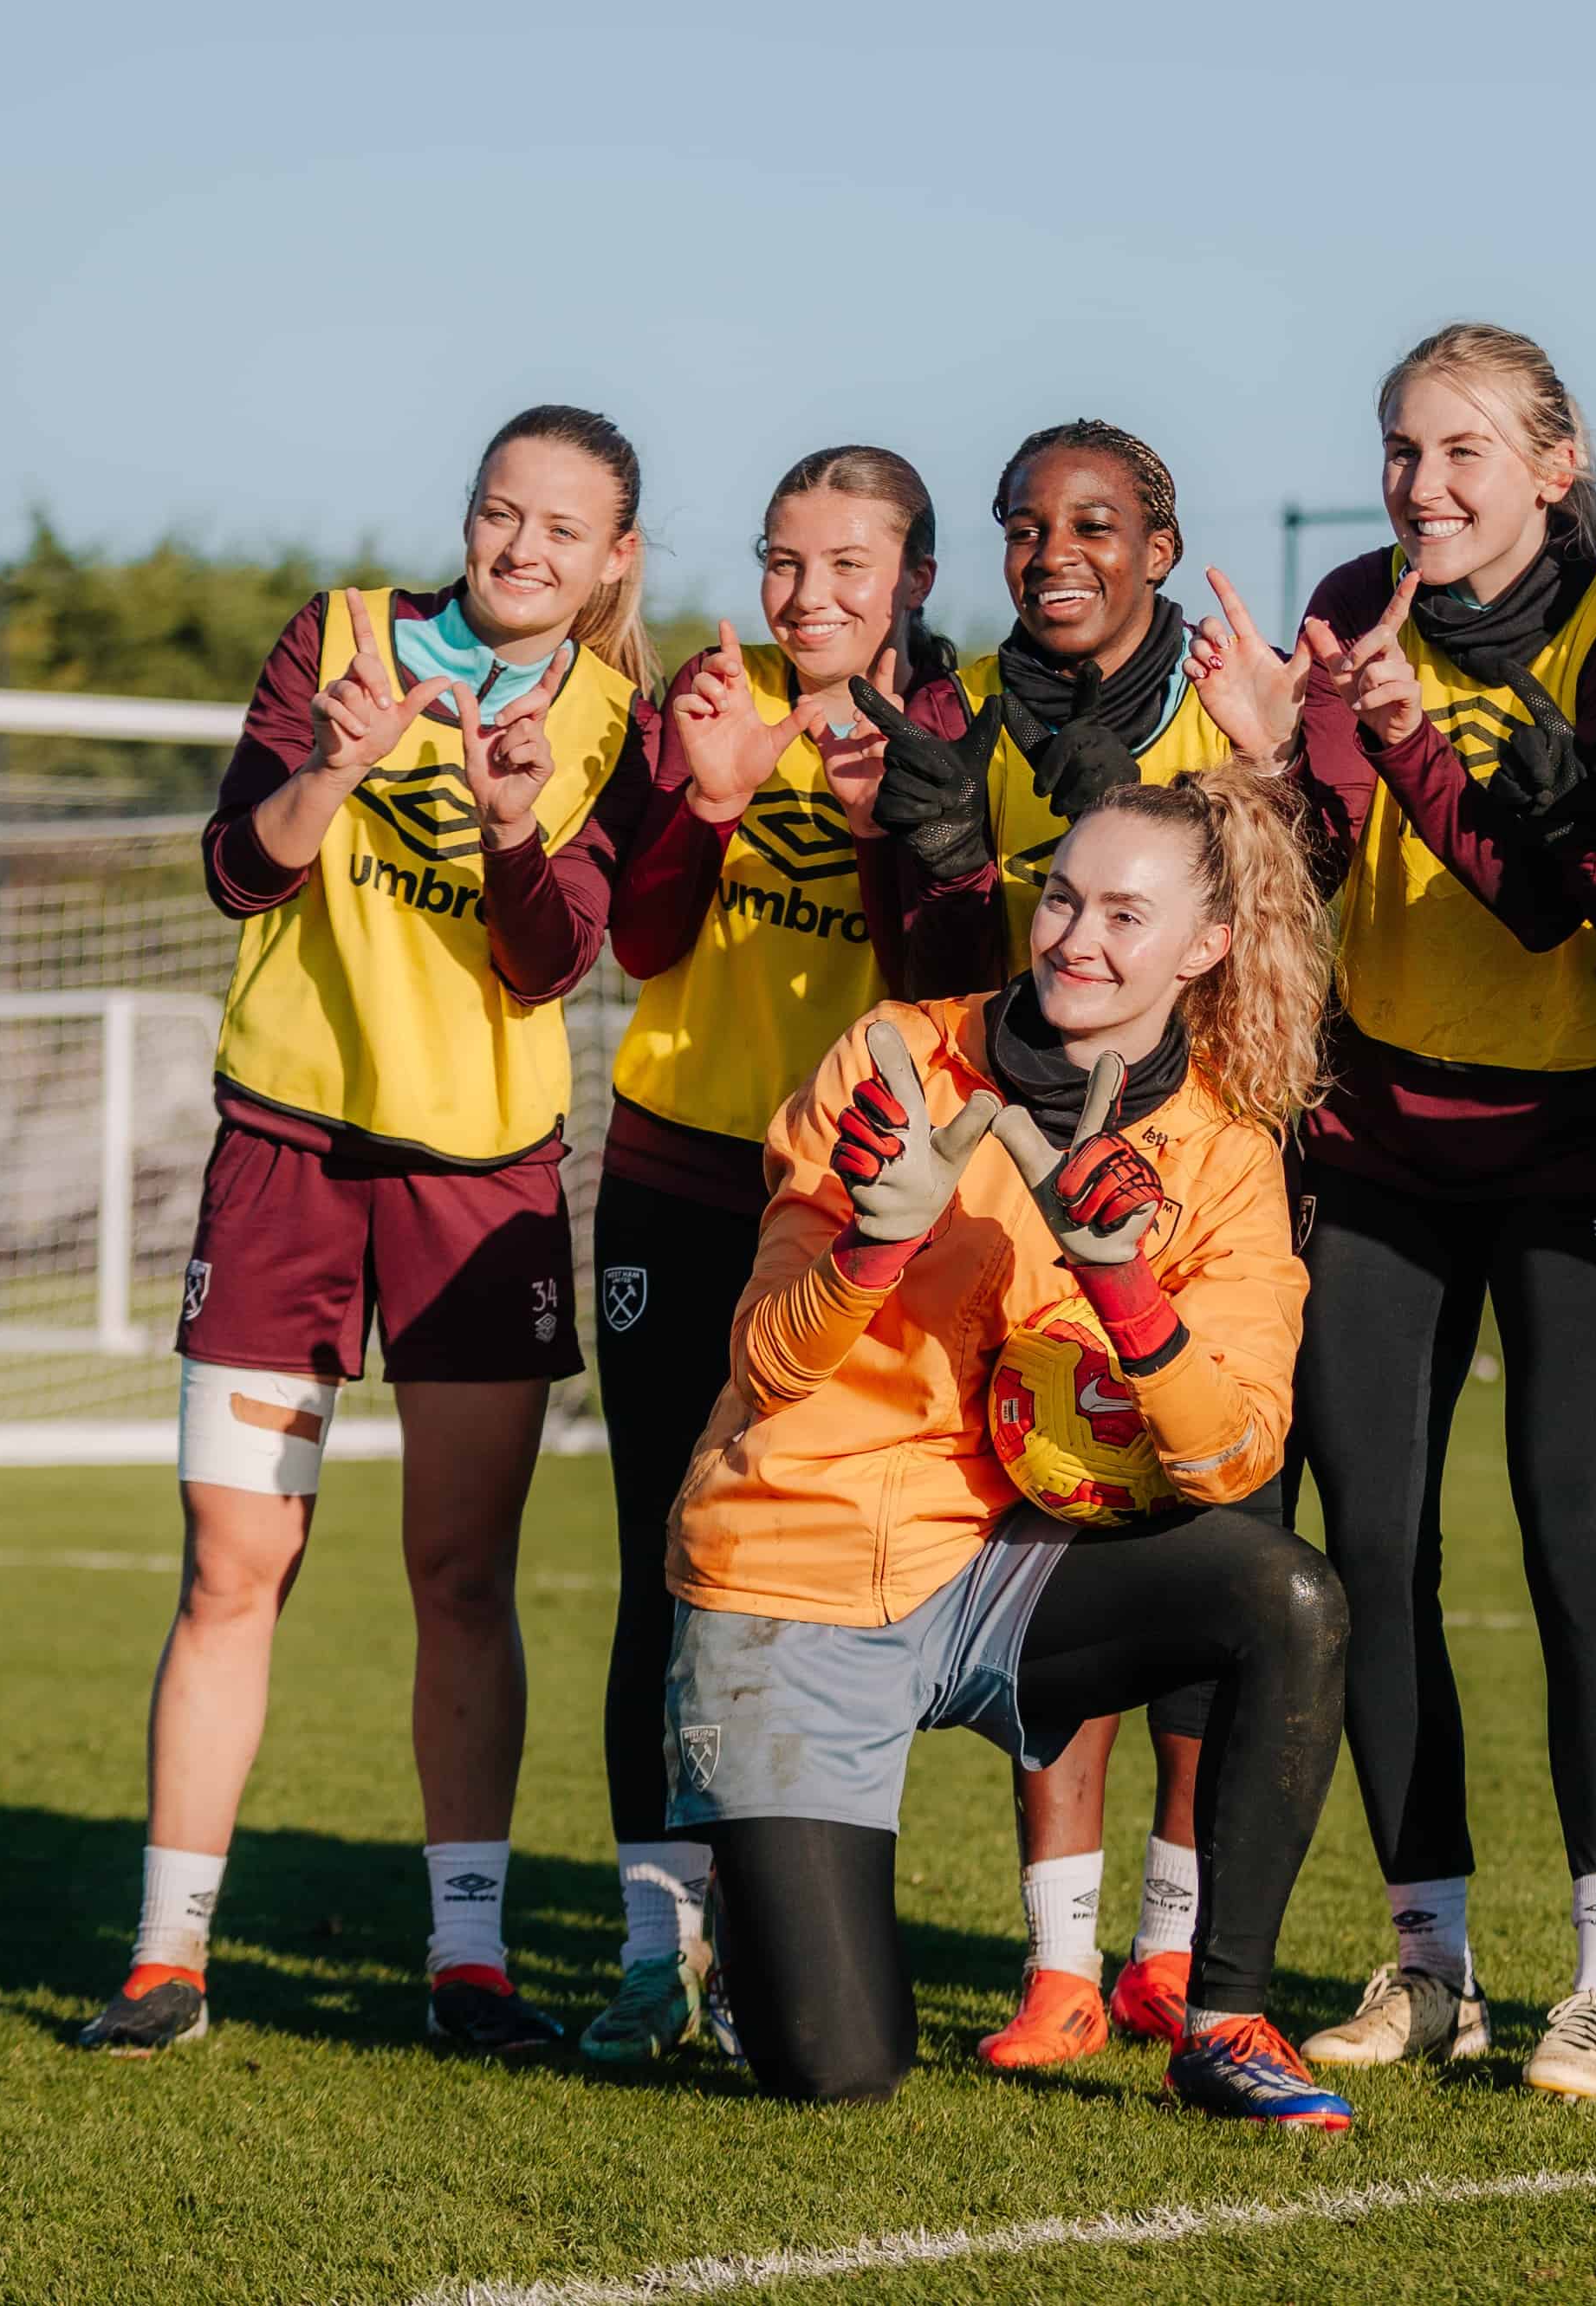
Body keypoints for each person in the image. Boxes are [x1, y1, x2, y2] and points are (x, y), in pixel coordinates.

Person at [75, 407, 654, 2062]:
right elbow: (236, 871)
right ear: (466, 518)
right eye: (500, 513)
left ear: (615, 558)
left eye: (562, 530)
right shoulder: (335, 638)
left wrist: (508, 821)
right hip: (288, 1156)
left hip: (480, 1182)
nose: (523, 548)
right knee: (232, 1567)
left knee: (461, 1573)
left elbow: (552, 964)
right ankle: (168, 1955)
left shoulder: (610, 714)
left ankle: (466, 1964)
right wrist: (337, 761)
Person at [659, 773, 1355, 2123]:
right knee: (841, 2068)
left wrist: (1128, 1292)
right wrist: (874, 1242)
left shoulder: (1221, 1149)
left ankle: (1222, 2017)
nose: (1074, 939)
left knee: (1291, 1596)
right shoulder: (896, 1058)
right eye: (1063, 897)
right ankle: (751, 1910)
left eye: (1124, 915)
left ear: (1207, 948)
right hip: (797, 1564)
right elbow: (767, 1363)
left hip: (1009, 1573)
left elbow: (1236, 1455)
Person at [1257, 322, 1596, 2103]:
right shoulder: (1355, 598)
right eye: (1397, 447)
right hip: (1374, 1139)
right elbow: (1308, 860)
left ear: (1551, 463)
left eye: (1459, 450)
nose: (1419, 484)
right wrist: (1272, 763)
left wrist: (1410, 752)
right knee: (1367, 1548)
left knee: (1572, 1535)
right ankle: (1427, 1955)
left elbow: (1579, 916)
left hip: (1566, 1146)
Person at [864, 419, 1293, 2069]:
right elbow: (937, 970)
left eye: (1095, 525)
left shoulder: (1219, 697)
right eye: (1026, 526)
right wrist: (940, 848)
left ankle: (1172, 1954)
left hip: (1210, 1176)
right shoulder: (955, 705)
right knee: (1059, 1532)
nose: (1056, 554)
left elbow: (1284, 939)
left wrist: (1272, 769)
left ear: (1158, 551)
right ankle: (1056, 1965)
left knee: (1202, 1562)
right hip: (1022, 1179)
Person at [580, 447, 962, 2065]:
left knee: (807, 1575)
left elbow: (955, 964)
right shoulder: (708, 697)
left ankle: (772, 1946)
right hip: (675, 1175)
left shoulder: (954, 728)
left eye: (848, 565)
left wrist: (891, 822)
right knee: (660, 1557)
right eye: (784, 561)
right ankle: (649, 1944)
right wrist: (712, 793)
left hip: (846, 1205)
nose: (807, 596)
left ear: (915, 582)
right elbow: (641, 938)